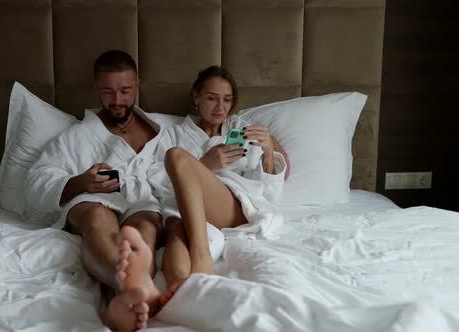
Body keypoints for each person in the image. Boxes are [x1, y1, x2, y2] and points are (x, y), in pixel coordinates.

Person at [114, 65, 289, 325]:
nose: (220, 107)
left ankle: (201, 256)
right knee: (175, 228)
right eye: (211, 98)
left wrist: (266, 153)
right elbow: (155, 182)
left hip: (231, 206)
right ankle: (180, 294)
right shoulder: (172, 133)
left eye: (227, 99)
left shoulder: (243, 131)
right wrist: (205, 164)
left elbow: (268, 193)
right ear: (196, 97)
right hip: (187, 212)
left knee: (176, 156)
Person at [25, 50, 166, 331]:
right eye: (107, 92)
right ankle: (129, 286)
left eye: (125, 91)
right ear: (96, 88)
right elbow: (35, 182)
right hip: (94, 199)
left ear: (137, 83)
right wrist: (81, 182)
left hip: (140, 200)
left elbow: (188, 166)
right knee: (98, 219)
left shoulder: (161, 130)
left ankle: (123, 299)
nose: (116, 101)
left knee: (146, 227)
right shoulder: (77, 136)